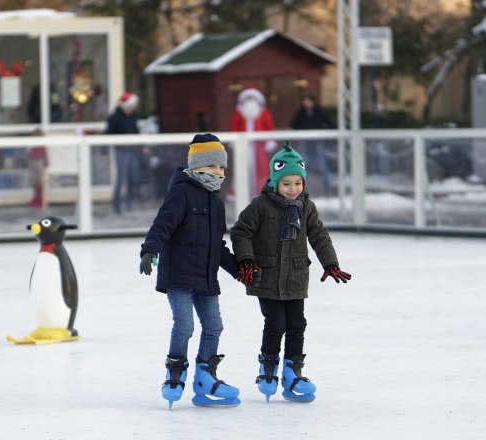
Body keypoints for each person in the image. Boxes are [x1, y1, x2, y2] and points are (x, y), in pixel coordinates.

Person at [230, 142, 351, 402]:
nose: (292, 189)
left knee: (297, 324)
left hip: (296, 276)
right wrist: (247, 260)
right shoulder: (260, 205)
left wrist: (330, 263)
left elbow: (319, 236)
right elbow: (240, 231)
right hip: (267, 276)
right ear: (275, 182)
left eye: (298, 183)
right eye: (286, 183)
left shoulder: (307, 207)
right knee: (276, 323)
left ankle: (293, 372)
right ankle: (268, 368)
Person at [139, 133, 243, 409]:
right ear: (196, 166)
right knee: (184, 326)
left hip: (206, 277)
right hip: (179, 275)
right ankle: (175, 372)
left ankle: (205, 378)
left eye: (222, 168)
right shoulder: (181, 192)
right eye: (212, 166)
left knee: (214, 326)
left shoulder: (217, 203)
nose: (218, 173)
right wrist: (150, 249)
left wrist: (238, 270)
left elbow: (217, 246)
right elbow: (163, 224)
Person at [229, 84, 276, 195]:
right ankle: (239, 192)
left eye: (252, 98)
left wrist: (270, 140)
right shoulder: (239, 112)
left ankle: (261, 191)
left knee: (261, 168)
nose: (250, 101)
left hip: (259, 145)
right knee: (241, 167)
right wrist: (233, 140)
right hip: (243, 145)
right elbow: (234, 127)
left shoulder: (263, 112)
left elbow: (269, 127)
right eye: (248, 98)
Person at [290, 94, 335, 196]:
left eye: (308, 101)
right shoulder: (300, 113)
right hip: (305, 144)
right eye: (305, 101)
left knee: (323, 167)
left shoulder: (320, 112)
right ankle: (306, 191)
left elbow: (329, 124)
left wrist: (324, 136)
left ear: (313, 102)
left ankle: (327, 190)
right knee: (305, 168)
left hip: (318, 144)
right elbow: (294, 125)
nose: (306, 103)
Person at [106, 91, 140, 214]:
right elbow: (108, 134)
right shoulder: (114, 117)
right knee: (120, 178)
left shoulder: (133, 116)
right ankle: (117, 205)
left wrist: (141, 147)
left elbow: (136, 131)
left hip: (132, 150)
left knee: (133, 176)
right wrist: (104, 150)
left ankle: (128, 203)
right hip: (121, 150)